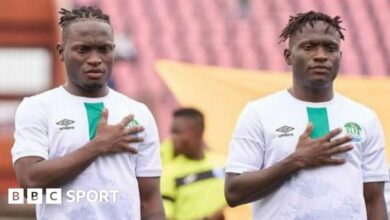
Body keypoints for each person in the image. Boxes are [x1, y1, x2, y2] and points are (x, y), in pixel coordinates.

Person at [224, 11, 389, 220]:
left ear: (340, 56)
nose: (321, 55)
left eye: (330, 48)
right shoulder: (259, 113)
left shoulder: (365, 118)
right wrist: (297, 160)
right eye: (309, 47)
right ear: (288, 56)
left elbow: (373, 200)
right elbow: (233, 192)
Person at [11, 6, 164, 220]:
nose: (95, 59)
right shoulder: (38, 107)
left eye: (104, 49)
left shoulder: (138, 112)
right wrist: (97, 146)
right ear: (61, 52)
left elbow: (150, 198)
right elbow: (29, 182)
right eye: (83, 50)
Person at [161, 108, 226, 220]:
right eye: (172, 132)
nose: (173, 138)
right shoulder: (168, 173)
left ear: (198, 131)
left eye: (178, 132)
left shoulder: (224, 165)